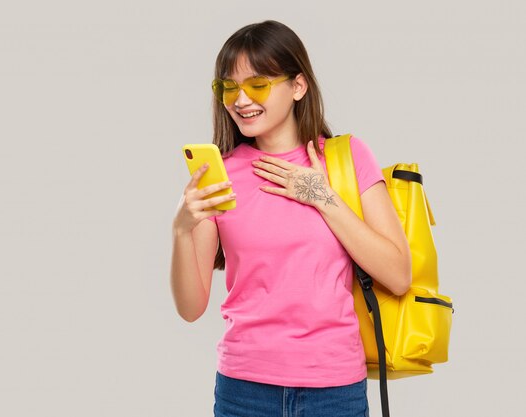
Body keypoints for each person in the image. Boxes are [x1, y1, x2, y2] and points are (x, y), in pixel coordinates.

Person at [170, 20, 411, 417]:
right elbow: (191, 307)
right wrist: (180, 230)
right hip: (243, 391)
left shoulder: (347, 158)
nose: (240, 99)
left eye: (257, 84)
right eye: (229, 87)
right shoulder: (221, 175)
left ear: (298, 86)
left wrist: (320, 196)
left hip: (334, 391)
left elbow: (398, 273)